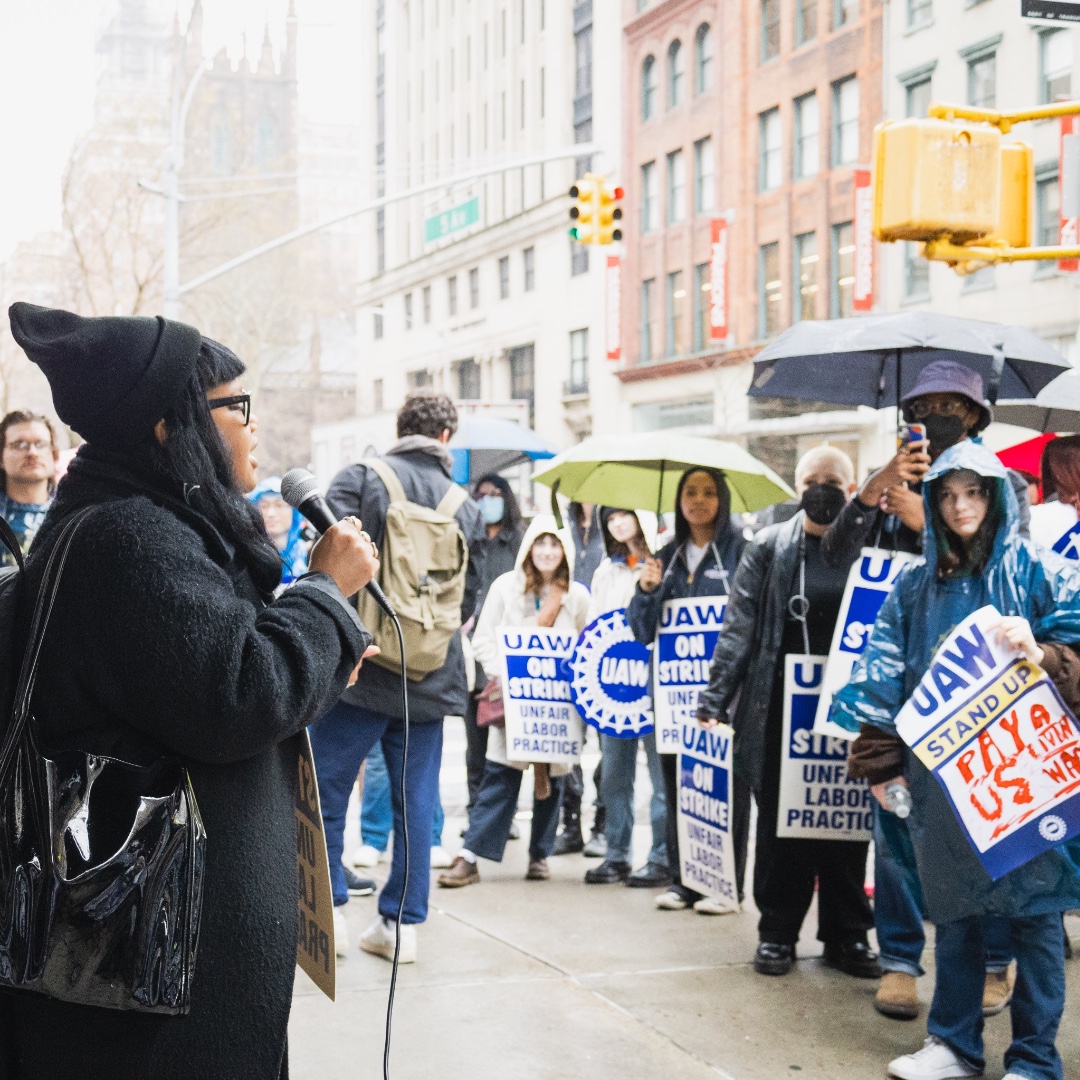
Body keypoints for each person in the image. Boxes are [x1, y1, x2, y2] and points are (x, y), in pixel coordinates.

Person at [2, 303, 375, 1079]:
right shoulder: (131, 539)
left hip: (166, 975)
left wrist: (320, 639)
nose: (254, 425)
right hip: (149, 984)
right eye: (237, 407)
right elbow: (240, 696)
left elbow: (213, 677)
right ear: (170, 427)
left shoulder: (142, 526)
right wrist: (327, 596)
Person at [832, 440, 1080, 1080]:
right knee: (958, 911)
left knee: (1036, 916)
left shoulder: (1040, 573)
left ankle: (1034, 1059)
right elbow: (881, 671)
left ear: (996, 498)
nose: (960, 506)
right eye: (946, 495)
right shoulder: (915, 586)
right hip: (942, 779)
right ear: (934, 504)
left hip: (1025, 776)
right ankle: (954, 1046)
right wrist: (881, 764)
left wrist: (1046, 653)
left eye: (972, 493)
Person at [823, 361, 1023, 1020]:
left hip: (976, 687)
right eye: (924, 404)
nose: (937, 414)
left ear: (972, 416)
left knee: (985, 829)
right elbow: (834, 556)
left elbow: (1007, 567)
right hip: (898, 684)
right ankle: (901, 961)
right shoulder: (890, 481)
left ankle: (997, 959)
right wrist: (876, 492)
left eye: (950, 405)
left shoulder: (998, 484)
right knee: (898, 828)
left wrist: (926, 521)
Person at [310, 389, 485, 965]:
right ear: (445, 440)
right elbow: (472, 592)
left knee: (327, 789)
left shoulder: (363, 476)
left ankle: (328, 911)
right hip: (430, 673)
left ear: (400, 427)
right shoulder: (466, 502)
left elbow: (321, 558)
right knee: (417, 800)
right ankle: (401, 926)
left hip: (361, 666)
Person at [696, 446, 878, 978]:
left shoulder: (869, 544)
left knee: (844, 824)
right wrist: (713, 701)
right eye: (811, 479)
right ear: (796, 486)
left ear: (853, 487)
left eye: (834, 479)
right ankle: (776, 931)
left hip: (849, 710)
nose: (822, 487)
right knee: (782, 827)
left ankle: (847, 936)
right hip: (779, 710)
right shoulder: (770, 547)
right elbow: (740, 628)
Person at [438, 515, 590, 887]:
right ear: (529, 548)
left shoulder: (578, 595)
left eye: (555, 545)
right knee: (500, 778)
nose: (547, 551)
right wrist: (506, 676)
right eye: (540, 543)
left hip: (559, 707)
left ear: (565, 552)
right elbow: (483, 640)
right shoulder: (507, 588)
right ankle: (471, 856)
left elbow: (590, 645)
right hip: (514, 703)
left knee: (554, 781)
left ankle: (540, 854)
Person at [626, 467, 749, 914]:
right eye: (690, 492)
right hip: (675, 698)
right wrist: (647, 590)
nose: (698, 500)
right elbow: (640, 631)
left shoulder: (742, 554)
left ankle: (725, 885)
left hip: (725, 699)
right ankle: (684, 881)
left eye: (709, 492)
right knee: (680, 785)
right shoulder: (665, 557)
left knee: (725, 789)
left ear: (723, 500)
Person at [582, 508, 671, 888]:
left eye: (625, 514)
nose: (618, 522)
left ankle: (661, 857)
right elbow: (594, 625)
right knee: (615, 775)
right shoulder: (606, 571)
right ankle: (616, 855)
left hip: (654, 685)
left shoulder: (664, 564)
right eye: (611, 516)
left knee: (660, 777)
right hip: (614, 686)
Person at [462, 472, 526, 821]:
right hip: (472, 655)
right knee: (476, 744)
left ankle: (505, 814)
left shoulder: (517, 543)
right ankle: (476, 810)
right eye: (482, 494)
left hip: (505, 656)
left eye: (496, 493)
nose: (489, 500)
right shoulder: (469, 541)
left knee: (505, 743)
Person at [558, 500, 606, 856]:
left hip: (603, 647)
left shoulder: (614, 522)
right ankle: (570, 822)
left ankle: (602, 823)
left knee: (608, 744)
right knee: (568, 741)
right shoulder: (563, 524)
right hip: (566, 645)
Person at [0, 408, 60, 566]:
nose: (32, 453)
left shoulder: (70, 515)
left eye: (41, 444)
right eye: (20, 444)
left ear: (54, 455)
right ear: (1, 457)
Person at [249, 475, 311, 586]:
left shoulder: (309, 555)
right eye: (264, 506)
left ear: (294, 512)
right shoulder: (247, 556)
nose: (271, 513)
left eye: (279, 505)